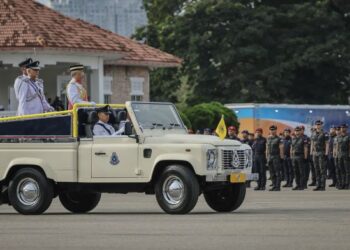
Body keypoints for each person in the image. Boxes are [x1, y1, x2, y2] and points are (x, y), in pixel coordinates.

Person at [310, 120, 329, 191]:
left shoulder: (325, 133)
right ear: (315, 125)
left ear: (321, 125)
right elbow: (312, 143)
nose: (318, 125)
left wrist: (326, 153)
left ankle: (322, 186)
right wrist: (311, 153)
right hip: (315, 153)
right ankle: (318, 185)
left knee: (322, 170)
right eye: (317, 124)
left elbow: (326, 144)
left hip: (321, 152)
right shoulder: (313, 133)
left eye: (319, 124)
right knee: (316, 170)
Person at [267, 125, 283, 191]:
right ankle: (274, 185)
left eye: (273, 129)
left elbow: (281, 148)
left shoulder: (279, 139)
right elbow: (267, 148)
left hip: (276, 156)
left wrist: (281, 157)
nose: (272, 131)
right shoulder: (268, 138)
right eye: (271, 130)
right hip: (270, 156)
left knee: (277, 172)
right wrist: (267, 157)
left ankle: (277, 186)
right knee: (271, 172)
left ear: (276, 130)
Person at [337, 124, 350, 189]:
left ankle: (347, 184)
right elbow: (337, 146)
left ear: (346, 129)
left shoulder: (348, 136)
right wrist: (337, 154)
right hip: (340, 155)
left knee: (347, 170)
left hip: (346, 154)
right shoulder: (339, 137)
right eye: (342, 128)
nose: (342, 129)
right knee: (341, 170)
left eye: (344, 128)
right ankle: (342, 184)